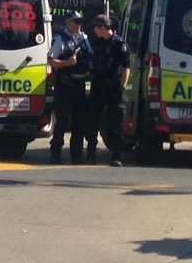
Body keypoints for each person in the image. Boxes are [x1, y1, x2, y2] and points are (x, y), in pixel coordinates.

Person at [83, 12, 131, 167]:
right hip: (98, 86)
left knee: (114, 123)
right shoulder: (97, 42)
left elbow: (126, 67)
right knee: (92, 122)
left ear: (102, 27)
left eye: (96, 28)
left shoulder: (119, 43)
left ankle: (116, 156)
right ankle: (91, 154)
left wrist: (122, 86)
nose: (94, 31)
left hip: (113, 87)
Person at [46, 10, 92, 163]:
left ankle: (77, 154)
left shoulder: (84, 38)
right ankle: (55, 153)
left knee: (80, 122)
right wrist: (68, 63)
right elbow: (51, 61)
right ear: (68, 23)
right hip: (64, 86)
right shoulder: (60, 39)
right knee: (63, 121)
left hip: (80, 85)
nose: (79, 25)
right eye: (76, 22)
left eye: (80, 22)